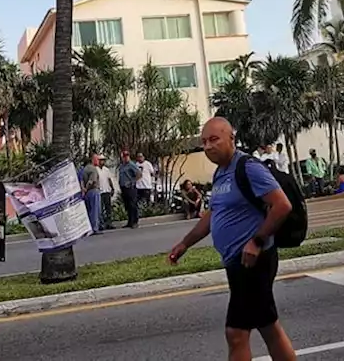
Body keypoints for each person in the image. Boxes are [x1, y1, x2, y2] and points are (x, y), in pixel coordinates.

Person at [168, 117, 296, 361]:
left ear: (231, 139)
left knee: (237, 333)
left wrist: (256, 241)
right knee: (266, 327)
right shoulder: (220, 174)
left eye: (214, 139)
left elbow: (282, 205)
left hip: (253, 262)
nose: (207, 146)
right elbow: (213, 214)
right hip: (237, 263)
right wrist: (185, 243)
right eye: (204, 142)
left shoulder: (248, 167)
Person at [118, 150, 142, 229]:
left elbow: (139, 174)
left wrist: (132, 182)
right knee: (127, 205)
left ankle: (135, 222)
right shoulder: (122, 166)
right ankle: (130, 221)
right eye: (124, 156)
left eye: (127, 156)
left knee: (133, 205)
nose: (126, 158)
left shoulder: (131, 165)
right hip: (124, 188)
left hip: (130, 188)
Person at [83, 152, 104, 234]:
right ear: (93, 159)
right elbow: (91, 181)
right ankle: (94, 228)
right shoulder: (93, 169)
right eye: (97, 159)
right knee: (95, 210)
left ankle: (89, 228)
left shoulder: (85, 168)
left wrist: (84, 190)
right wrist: (86, 188)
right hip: (93, 191)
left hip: (88, 193)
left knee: (90, 210)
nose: (98, 161)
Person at [98, 154, 117, 229]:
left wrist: (112, 188)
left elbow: (109, 179)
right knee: (101, 209)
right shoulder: (96, 169)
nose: (102, 161)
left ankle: (109, 223)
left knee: (108, 208)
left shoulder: (106, 169)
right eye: (101, 160)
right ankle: (101, 224)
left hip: (107, 191)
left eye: (103, 160)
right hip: (100, 191)